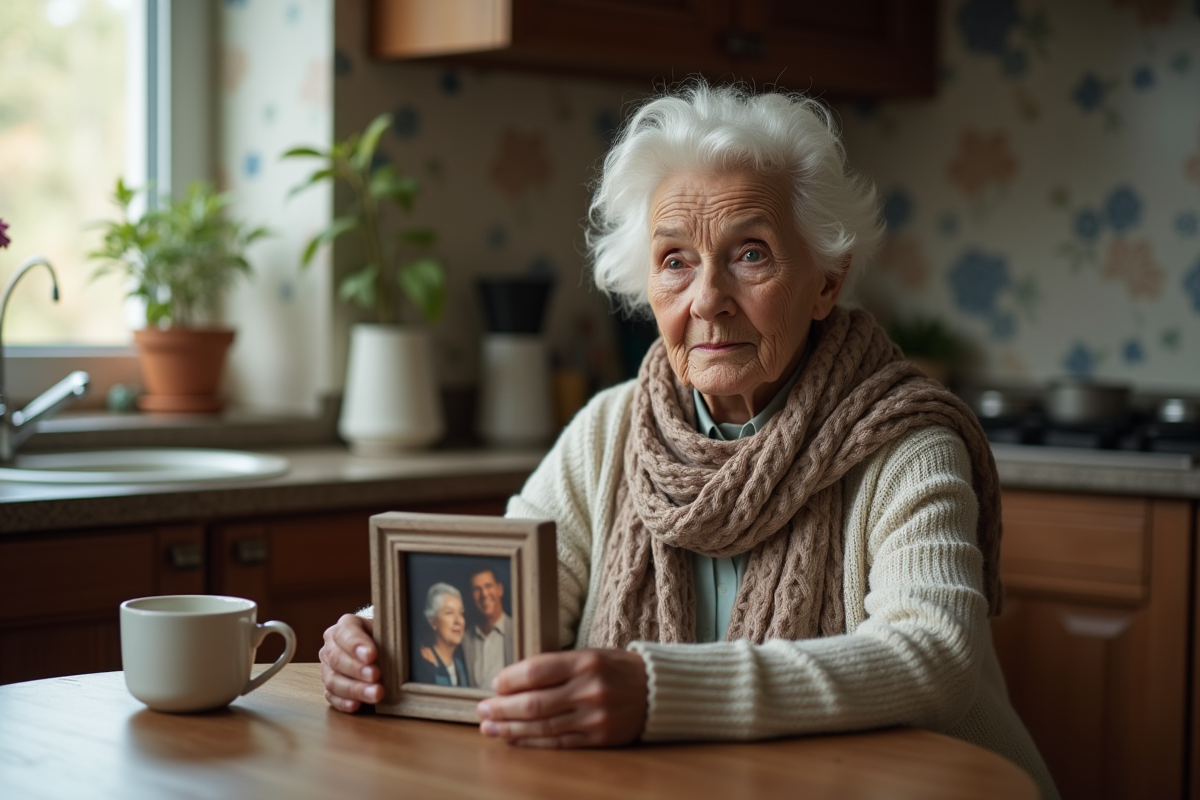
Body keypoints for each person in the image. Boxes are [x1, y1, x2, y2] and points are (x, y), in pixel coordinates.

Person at [320, 82, 1058, 799]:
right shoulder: (609, 429)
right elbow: (505, 600)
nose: (707, 300)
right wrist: (384, 641)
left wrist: (657, 692)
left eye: (751, 254)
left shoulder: (906, 442)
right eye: (675, 260)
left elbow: (933, 653)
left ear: (827, 282)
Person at [461, 567, 513, 689]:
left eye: (488, 586)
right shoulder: (464, 638)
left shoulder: (519, 630)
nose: (484, 594)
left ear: (500, 590)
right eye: (477, 589)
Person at [411, 583, 469, 687]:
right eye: (449, 613)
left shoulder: (460, 665)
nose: (458, 621)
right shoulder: (424, 666)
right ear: (433, 622)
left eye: (461, 613)